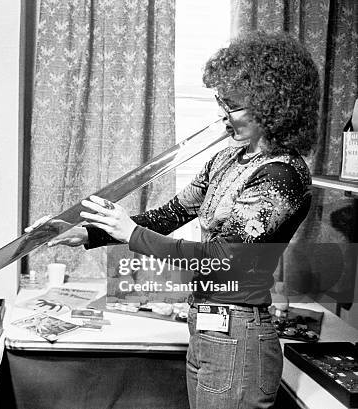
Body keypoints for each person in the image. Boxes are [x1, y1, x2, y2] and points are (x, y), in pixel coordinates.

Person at [35, 32, 320, 409]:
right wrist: (86, 232)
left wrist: (133, 235)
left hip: (239, 330)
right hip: (206, 325)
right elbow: (168, 215)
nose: (223, 115)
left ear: (272, 105)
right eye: (222, 102)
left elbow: (221, 258)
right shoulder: (225, 160)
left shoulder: (282, 175)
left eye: (232, 105)